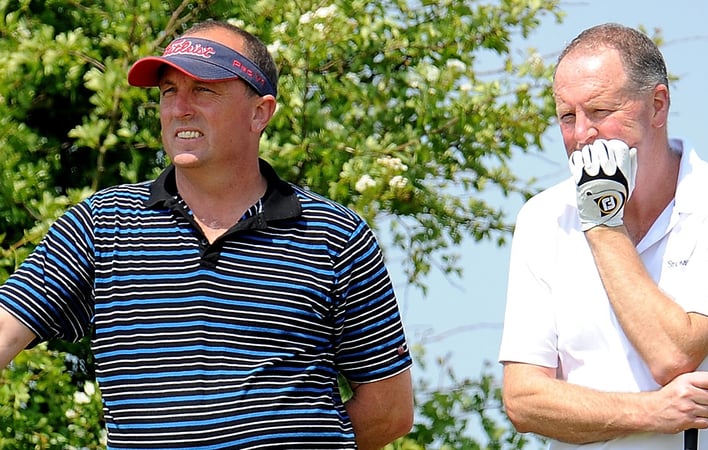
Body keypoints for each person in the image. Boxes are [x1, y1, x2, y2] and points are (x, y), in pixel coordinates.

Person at [0, 20, 413, 449]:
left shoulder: (334, 234)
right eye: (168, 92)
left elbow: (390, 411)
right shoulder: (103, 225)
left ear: (260, 112)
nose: (180, 108)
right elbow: (5, 331)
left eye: (203, 90)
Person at [498, 23, 708, 449]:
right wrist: (652, 412)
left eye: (599, 112)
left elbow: (672, 354)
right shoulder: (543, 218)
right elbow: (523, 400)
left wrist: (601, 222)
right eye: (567, 117)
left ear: (658, 105)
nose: (580, 136)